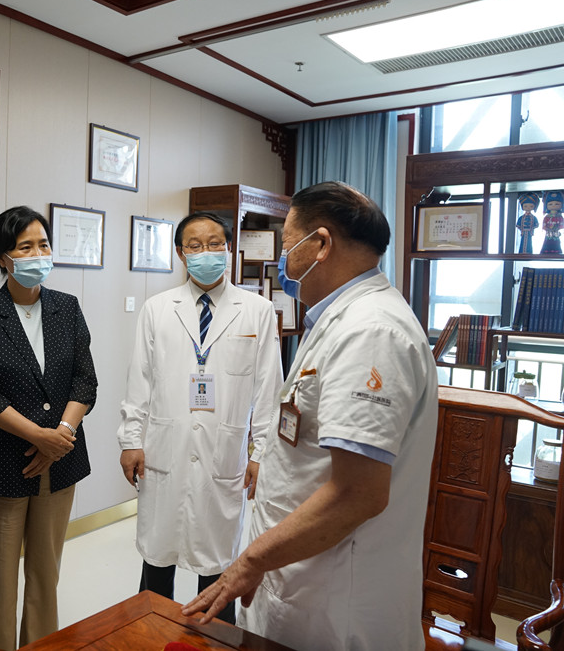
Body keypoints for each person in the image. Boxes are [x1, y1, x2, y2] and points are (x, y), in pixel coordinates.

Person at [183, 181, 439, 650]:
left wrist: (251, 560)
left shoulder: (370, 333)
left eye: (287, 245)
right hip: (304, 576)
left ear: (320, 244)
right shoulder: (339, 320)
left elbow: (357, 494)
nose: (283, 259)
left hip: (336, 596)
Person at [117, 212, 282, 624]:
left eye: (214, 243)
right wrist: (131, 440)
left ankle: (216, 640)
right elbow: (139, 381)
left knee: (218, 564)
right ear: (180, 253)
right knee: (158, 559)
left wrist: (261, 453)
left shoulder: (258, 311)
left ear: (229, 248)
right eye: (194, 245)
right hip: (165, 449)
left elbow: (268, 389)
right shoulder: (158, 309)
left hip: (223, 452)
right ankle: (151, 632)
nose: (205, 252)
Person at [0, 206, 97, 650]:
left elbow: (85, 381)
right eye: (25, 247)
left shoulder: (66, 308)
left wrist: (60, 435)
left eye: (43, 244)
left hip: (62, 460)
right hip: (1, 464)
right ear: (4, 258)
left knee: (45, 575)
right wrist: (40, 438)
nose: (38, 254)